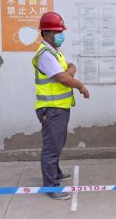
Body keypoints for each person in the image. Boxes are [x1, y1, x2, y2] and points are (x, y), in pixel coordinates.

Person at [32, 12, 89, 200]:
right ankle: (52, 186)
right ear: (46, 33)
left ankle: (55, 173)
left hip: (59, 107)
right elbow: (63, 78)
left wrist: (69, 71)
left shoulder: (55, 51)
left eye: (61, 31)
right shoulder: (45, 54)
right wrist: (79, 85)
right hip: (52, 108)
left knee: (57, 144)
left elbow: (70, 66)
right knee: (51, 147)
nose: (61, 35)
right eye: (57, 31)